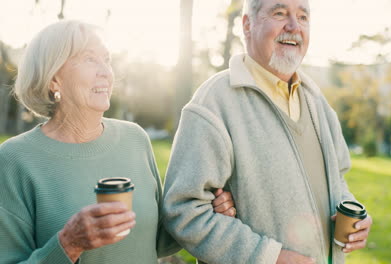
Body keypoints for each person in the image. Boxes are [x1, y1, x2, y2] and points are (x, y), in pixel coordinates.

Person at [0, 20, 236, 263]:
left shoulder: (134, 139)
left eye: (107, 59)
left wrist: (207, 210)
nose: (105, 71)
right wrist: (68, 245)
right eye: (89, 59)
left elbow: (157, 240)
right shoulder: (15, 160)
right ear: (53, 79)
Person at [162, 0, 373, 263]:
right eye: (280, 13)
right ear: (247, 25)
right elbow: (183, 210)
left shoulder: (317, 102)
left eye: (303, 17)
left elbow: (338, 179)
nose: (294, 26)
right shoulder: (214, 103)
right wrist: (268, 257)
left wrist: (354, 213)